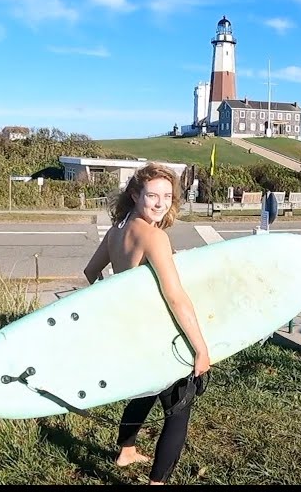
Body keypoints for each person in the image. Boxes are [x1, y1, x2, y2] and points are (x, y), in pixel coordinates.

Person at [82, 162, 211, 485]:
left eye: (167, 196)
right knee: (178, 409)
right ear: (136, 195)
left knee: (145, 392)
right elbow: (176, 298)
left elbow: (90, 272)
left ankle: (126, 451)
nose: (160, 203)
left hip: (134, 332)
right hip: (160, 333)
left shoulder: (118, 230)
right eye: (152, 195)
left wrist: (117, 302)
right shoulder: (154, 236)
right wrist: (201, 350)